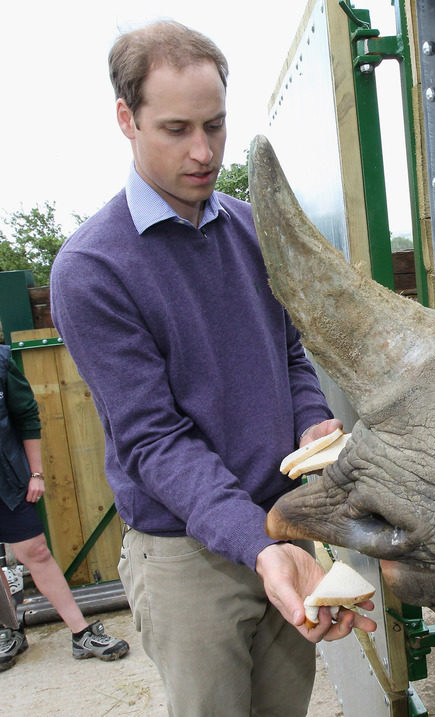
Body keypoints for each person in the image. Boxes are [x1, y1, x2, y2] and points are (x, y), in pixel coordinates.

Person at [49, 20, 375, 715]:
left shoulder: (251, 228)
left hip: (280, 526)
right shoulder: (91, 270)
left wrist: (313, 417)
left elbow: (288, 351)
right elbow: (154, 439)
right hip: (185, 556)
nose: (203, 151)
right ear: (125, 119)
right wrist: (257, 544)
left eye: (216, 125)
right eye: (175, 129)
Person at [0, 342, 129, 671]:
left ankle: (81, 633)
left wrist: (36, 473)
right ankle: (8, 631)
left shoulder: (1, 363)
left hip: (7, 481)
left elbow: (27, 416)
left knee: (36, 551)